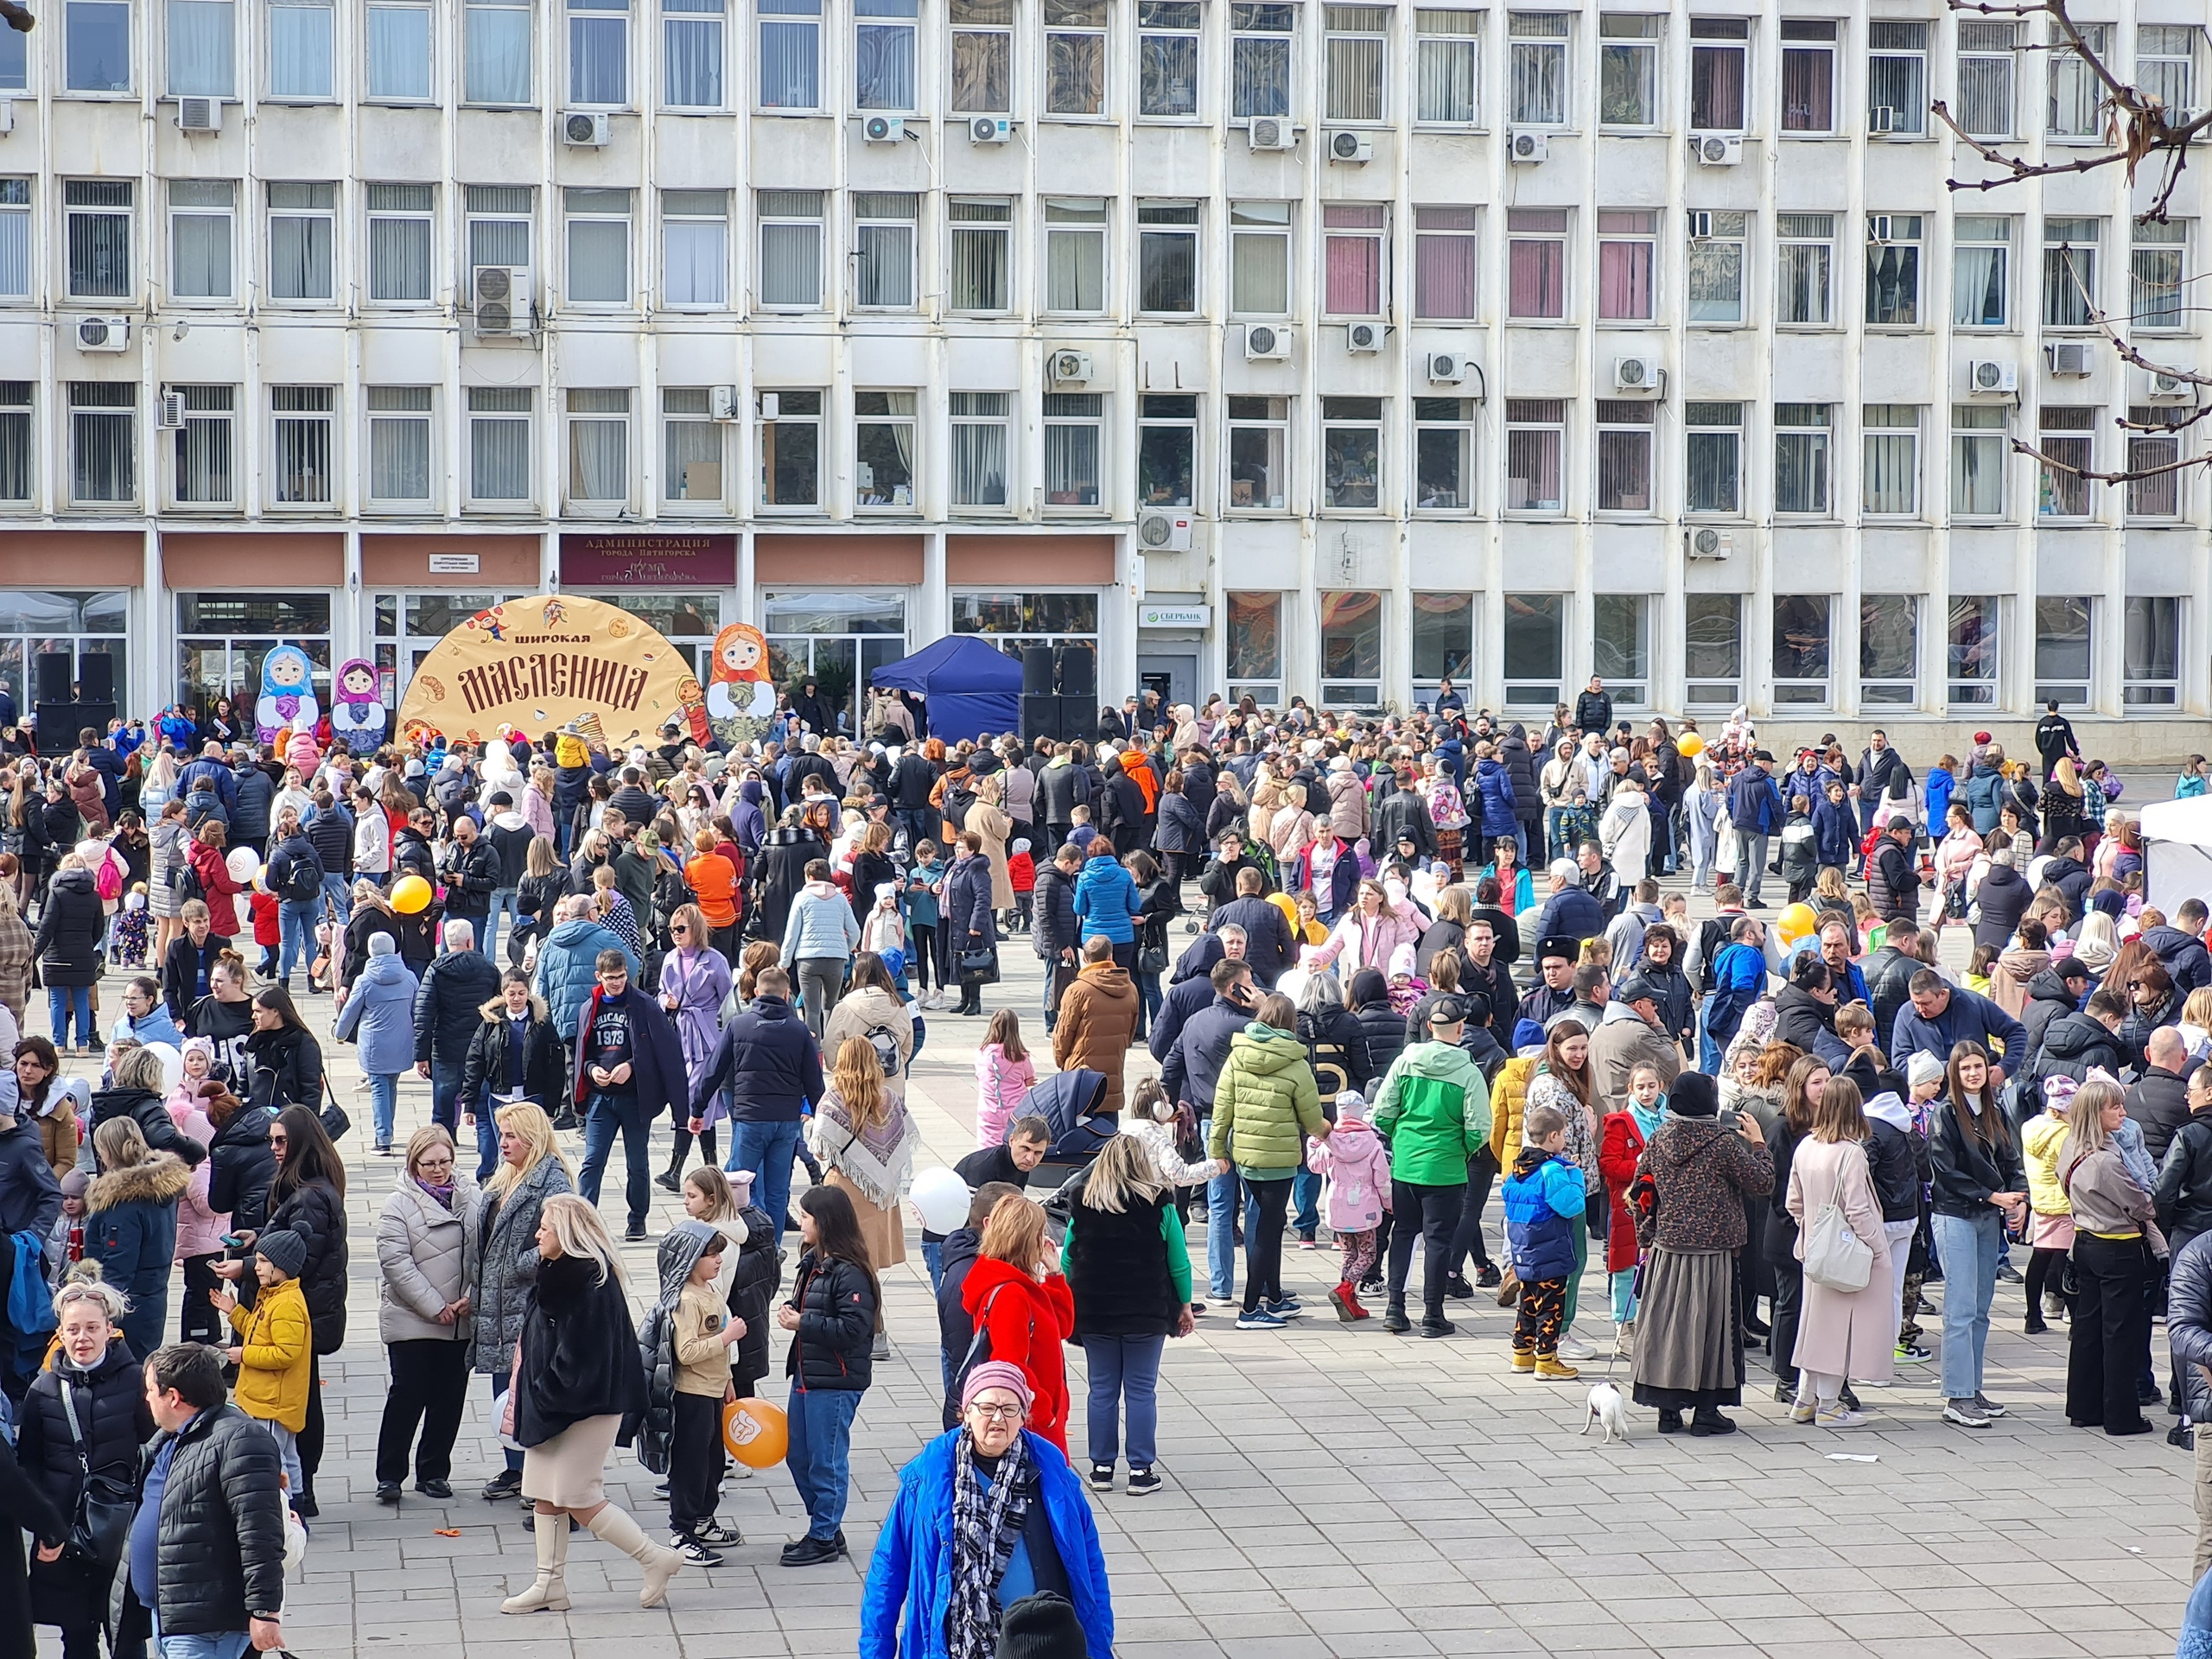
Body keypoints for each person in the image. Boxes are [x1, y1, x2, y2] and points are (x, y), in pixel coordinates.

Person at [860, 1362, 1114, 1659]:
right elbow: (889, 1568)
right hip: (956, 1644)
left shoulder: (1053, 1474)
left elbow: (1089, 1561)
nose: (997, 1418)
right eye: (986, 1407)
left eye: (1009, 1409)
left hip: (1042, 1641)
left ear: (1023, 1416)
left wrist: (1100, 1633)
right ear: (966, 1412)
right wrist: (877, 1649)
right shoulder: (927, 1478)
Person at [499, 1194, 676, 1614]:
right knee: (544, 1493)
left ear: (568, 1233)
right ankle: (549, 1585)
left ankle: (656, 1559)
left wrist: (542, 1392)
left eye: (546, 1225)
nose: (538, 1232)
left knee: (579, 1496)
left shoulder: (588, 1281)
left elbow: (581, 1358)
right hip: (557, 1403)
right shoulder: (560, 1272)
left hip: (584, 1405)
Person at [20, 1274, 156, 1659]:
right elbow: (30, 1463)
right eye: (73, 1329)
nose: (83, 1338)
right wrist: (44, 1525)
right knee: (76, 1639)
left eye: (92, 1328)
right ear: (60, 1334)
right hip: (66, 1535)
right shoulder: (42, 1390)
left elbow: (154, 1447)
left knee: (128, 1638)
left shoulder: (137, 1380)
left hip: (124, 1531)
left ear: (109, 1329)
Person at [1629, 1071, 1772, 1435]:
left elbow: (1639, 1193)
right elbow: (1763, 1182)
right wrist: (1759, 1144)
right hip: (1712, 1252)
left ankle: (1667, 1409)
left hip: (1667, 1250)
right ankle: (1706, 1410)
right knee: (1709, 1327)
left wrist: (1647, 1235)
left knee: (1667, 1328)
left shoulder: (1659, 1138)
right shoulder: (1721, 1142)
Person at [130, 1342, 289, 1659]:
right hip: (171, 1617)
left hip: (209, 1627)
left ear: (173, 1397)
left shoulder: (240, 1440)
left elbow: (259, 1534)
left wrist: (264, 1611)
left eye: (150, 1390)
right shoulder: (168, 1440)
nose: (146, 1398)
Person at [1062, 1134, 1192, 1493]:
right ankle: (1140, 1470)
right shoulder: (1160, 1206)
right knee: (1140, 1391)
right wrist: (1184, 1305)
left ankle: (1101, 1468)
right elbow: (1178, 1262)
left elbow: (1068, 1259)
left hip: (1095, 1311)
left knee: (1101, 1390)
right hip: (1145, 1311)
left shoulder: (1084, 1206)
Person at [467, 1102, 574, 1503]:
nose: (503, 1142)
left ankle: (539, 1475)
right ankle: (515, 1469)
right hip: (496, 1307)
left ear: (534, 1137)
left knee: (530, 1388)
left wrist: (516, 1265)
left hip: (531, 1304)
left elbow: (563, 1241)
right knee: (505, 1390)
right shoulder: (505, 1176)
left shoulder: (553, 1181)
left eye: (512, 1135)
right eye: (502, 1133)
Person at [1208, 992, 1327, 1330]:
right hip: (1279, 1159)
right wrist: (1329, 1132)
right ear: (1290, 1023)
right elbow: (1312, 1119)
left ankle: (1273, 1296)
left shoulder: (1237, 1054)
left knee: (1267, 1228)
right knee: (1267, 1231)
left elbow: (1222, 1110)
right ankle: (1250, 1309)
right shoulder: (1296, 1062)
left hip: (1245, 1155)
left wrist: (1217, 1151)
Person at [1370, 1000, 1491, 1337]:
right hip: (1446, 1168)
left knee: (1403, 1234)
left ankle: (1395, 1307)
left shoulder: (1404, 1062)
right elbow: (1480, 1126)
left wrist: (1402, 1139)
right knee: (1438, 1240)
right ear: (1460, 1028)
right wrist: (1461, 1150)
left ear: (1428, 1028)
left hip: (1407, 1165)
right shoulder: (1468, 1072)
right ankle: (1433, 1314)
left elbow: (1382, 1111)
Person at [372, 1125, 477, 1506]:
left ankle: (434, 1471)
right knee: (408, 1395)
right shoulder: (397, 1204)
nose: (438, 1170)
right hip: (412, 1318)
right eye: (429, 1163)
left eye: (445, 1161)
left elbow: (484, 1256)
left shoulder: (472, 1199)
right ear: (414, 1163)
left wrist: (468, 1297)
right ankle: (390, 1474)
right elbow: (396, 1263)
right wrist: (435, 1306)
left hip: (459, 1320)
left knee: (449, 1398)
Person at [778, 1184, 880, 1567]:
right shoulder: (814, 1260)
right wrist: (796, 1310)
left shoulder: (850, 1272)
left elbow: (855, 1330)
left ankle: (822, 1535)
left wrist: (803, 1322)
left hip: (834, 1380)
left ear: (825, 1221)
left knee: (826, 1460)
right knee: (798, 1456)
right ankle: (826, 1525)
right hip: (807, 1372)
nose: (800, 1222)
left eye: (805, 1217)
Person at [1781, 1077, 1891, 1428]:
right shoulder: (1850, 1152)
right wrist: (1877, 1246)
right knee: (1837, 1331)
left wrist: (1812, 1226)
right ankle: (1829, 1405)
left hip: (1813, 1247)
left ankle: (1804, 1400)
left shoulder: (1806, 1146)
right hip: (1845, 1252)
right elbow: (1858, 1208)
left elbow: (1793, 1202)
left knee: (1814, 1325)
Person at [1928, 1040, 2027, 1427]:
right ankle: (1956, 1395)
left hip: (1989, 1215)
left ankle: (1972, 1387)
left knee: (1982, 1308)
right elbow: (1944, 1170)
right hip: (1957, 1214)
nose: (1973, 1073)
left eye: (1979, 1066)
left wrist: (2017, 1200)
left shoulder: (1995, 1111)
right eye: (1965, 1067)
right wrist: (1992, 1195)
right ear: (1954, 1072)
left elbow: (2011, 1159)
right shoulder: (1946, 1113)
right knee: (1960, 1308)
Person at [692, 965, 826, 1245]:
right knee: (777, 1191)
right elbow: (814, 1082)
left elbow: (713, 1070)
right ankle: (773, 1248)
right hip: (786, 1122)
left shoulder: (739, 1025)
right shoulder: (799, 1030)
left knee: (739, 1185)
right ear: (787, 994)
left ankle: (739, 1241)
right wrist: (821, 1119)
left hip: (750, 1118)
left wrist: (697, 1109)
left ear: (755, 993)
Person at [2059, 1078, 2161, 1437]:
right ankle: (2121, 1416)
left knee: (2088, 1328)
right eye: (2114, 1107)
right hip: (2117, 1246)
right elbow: (2140, 1202)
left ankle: (2084, 1408)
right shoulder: (2104, 1160)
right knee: (2121, 1333)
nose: (2122, 1112)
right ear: (2094, 1113)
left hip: (2085, 1242)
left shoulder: (2071, 1146)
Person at [571, 949, 688, 1243]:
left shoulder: (644, 1006)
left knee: (637, 1162)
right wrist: (591, 1069)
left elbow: (664, 1052)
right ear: (599, 977)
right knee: (592, 1161)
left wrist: (631, 1067)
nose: (616, 983)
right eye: (611, 978)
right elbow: (581, 1054)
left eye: (621, 977)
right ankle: (586, 1220)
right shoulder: (590, 1007)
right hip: (601, 1096)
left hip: (635, 1097)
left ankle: (637, 1220)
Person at [648, 1221, 744, 1567]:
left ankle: (704, 1520)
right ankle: (682, 1533)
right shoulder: (687, 1301)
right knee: (691, 1465)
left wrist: (728, 1379)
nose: (718, 1260)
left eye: (719, 1253)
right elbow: (686, 1351)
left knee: (713, 1461)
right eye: (710, 1254)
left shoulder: (709, 1291)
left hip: (713, 1391)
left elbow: (714, 1350)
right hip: (691, 1396)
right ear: (689, 1259)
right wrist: (727, 1337)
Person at [959, 1193, 1075, 1456]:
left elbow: (1063, 1327)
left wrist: (1056, 1276)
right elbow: (1010, 1364)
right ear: (1027, 1240)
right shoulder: (1012, 1293)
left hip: (1038, 1413)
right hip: (1033, 1417)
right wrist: (1045, 1411)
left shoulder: (1017, 1282)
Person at [208, 1229, 314, 1504]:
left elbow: (284, 1353)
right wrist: (234, 1312)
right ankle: (297, 1507)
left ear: (283, 1266)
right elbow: (259, 1331)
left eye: (264, 1261)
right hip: (270, 1397)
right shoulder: (272, 1295)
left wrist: (244, 1355)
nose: (257, 1267)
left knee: (272, 1459)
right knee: (287, 1456)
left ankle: (284, 1512)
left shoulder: (286, 1304)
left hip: (272, 1400)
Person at [810, 1037, 920, 1290]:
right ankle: (874, 1319)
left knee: (844, 1259)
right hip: (880, 1192)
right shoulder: (890, 1098)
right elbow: (901, 1140)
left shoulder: (833, 1100)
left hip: (843, 1190)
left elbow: (821, 1151)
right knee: (870, 1265)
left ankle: (852, 1313)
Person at [83, 1117, 191, 1361]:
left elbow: (118, 1266)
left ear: (107, 1151)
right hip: (153, 1297)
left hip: (126, 1308)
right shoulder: (163, 1190)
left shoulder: (122, 1204)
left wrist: (97, 1309)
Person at [1502, 1101, 1586, 1380]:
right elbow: (1572, 1205)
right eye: (1562, 1134)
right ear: (1553, 1137)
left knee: (1528, 1301)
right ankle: (1547, 1359)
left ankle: (1521, 1354)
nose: (1563, 1139)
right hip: (1550, 1252)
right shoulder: (1552, 1171)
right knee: (1551, 1306)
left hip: (1524, 1252)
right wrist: (1575, 1175)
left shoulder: (1518, 1169)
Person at [657, 905, 734, 1187]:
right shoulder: (669, 960)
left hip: (707, 1038)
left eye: (681, 929)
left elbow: (729, 1001)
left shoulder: (714, 960)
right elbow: (661, 993)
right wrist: (666, 1002)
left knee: (695, 1099)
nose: (675, 934)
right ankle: (710, 1171)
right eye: (672, 929)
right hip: (680, 1036)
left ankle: (678, 1169)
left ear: (695, 930)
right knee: (695, 1103)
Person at [414, 919, 502, 1137]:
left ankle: (444, 1148)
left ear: (445, 941)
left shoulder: (436, 970)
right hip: (480, 1049)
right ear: (471, 941)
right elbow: (500, 1010)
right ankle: (487, 1158)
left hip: (445, 1048)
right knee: (483, 1109)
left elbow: (423, 1013)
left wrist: (421, 1055)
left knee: (442, 1110)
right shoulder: (488, 968)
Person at [334, 931, 420, 1154]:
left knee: (379, 1088)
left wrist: (339, 1033)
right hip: (402, 1042)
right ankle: (388, 1130)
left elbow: (349, 1013)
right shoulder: (409, 977)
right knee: (391, 1085)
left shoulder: (365, 981)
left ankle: (383, 1138)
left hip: (375, 1045)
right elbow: (417, 1011)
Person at [1052, 936, 1141, 1117]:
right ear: (1110, 956)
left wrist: (1062, 1061)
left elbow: (1062, 1036)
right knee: (1107, 1136)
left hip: (1080, 1079)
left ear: (1085, 958)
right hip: (1112, 1080)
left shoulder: (1077, 990)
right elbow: (1130, 1035)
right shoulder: (1130, 989)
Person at [34, 850, 105, 1052]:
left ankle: (59, 1044)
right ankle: (82, 1044)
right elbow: (99, 929)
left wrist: (34, 954)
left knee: (57, 1000)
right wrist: (87, 945)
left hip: (57, 956)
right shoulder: (94, 896)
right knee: (82, 999)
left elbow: (47, 927)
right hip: (83, 955)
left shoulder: (56, 893)